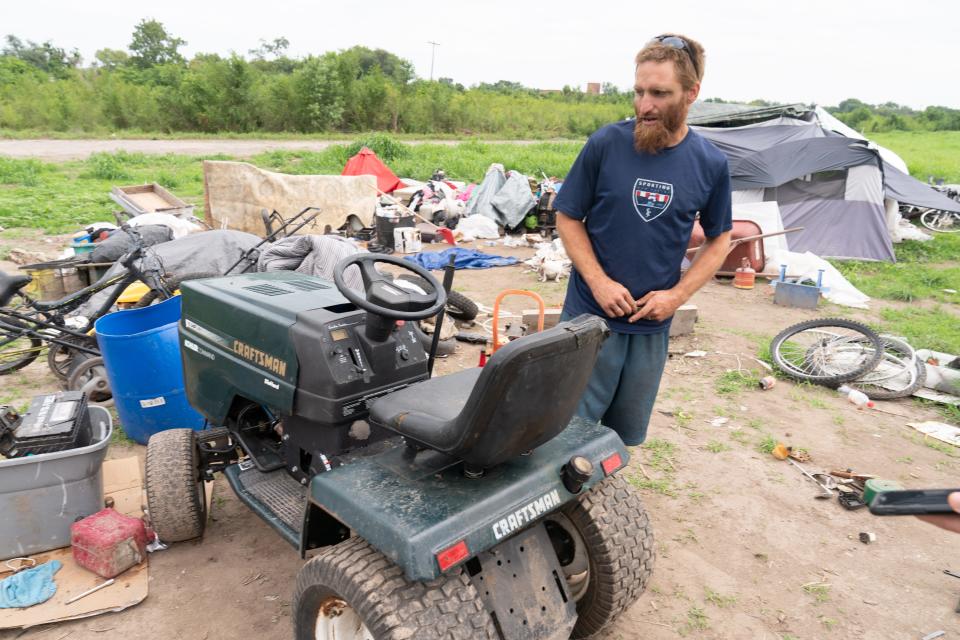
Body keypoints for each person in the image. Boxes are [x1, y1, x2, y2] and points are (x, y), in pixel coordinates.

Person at [555, 34, 732, 446]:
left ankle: (604, 504)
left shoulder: (709, 163)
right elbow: (568, 216)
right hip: (588, 319)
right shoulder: (607, 143)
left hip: (651, 329)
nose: (644, 105)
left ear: (691, 94)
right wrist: (598, 281)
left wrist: (677, 296)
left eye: (659, 93)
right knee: (564, 432)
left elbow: (720, 239)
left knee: (619, 439)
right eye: (638, 92)